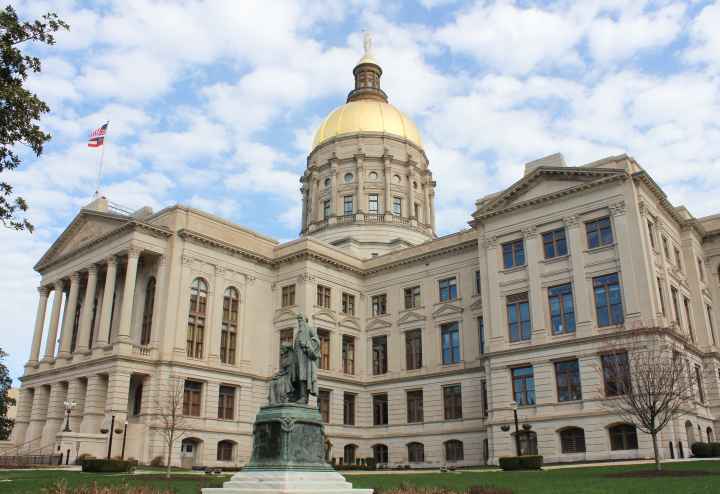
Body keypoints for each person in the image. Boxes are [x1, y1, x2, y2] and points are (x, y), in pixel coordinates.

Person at [290, 314, 320, 404]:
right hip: (297, 358)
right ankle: (298, 395)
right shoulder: (298, 332)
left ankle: (304, 397)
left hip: (305, 358)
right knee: (297, 376)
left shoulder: (310, 329)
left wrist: (307, 345)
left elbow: (317, 341)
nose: (299, 322)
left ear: (305, 320)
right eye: (298, 320)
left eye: (300, 319)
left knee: (303, 376)